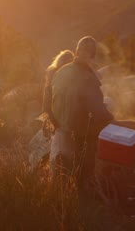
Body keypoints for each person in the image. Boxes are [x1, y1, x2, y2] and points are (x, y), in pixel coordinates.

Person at [50, 36, 113, 182]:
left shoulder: (61, 71)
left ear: (76, 51)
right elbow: (97, 110)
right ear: (93, 55)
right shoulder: (88, 77)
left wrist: (56, 122)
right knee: (102, 133)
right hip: (79, 131)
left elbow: (50, 101)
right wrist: (110, 118)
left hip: (59, 127)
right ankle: (85, 183)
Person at [41, 50, 74, 130]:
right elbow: (47, 105)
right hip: (56, 122)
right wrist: (54, 122)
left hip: (63, 121)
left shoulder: (70, 78)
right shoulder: (54, 76)